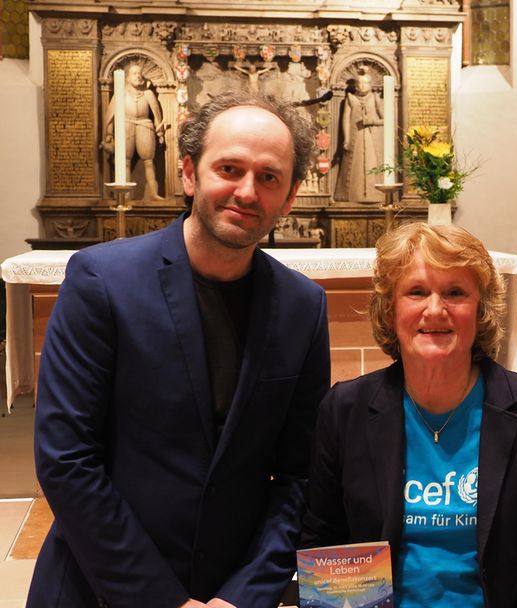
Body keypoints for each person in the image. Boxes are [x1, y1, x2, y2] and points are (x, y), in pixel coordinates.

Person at [28, 91, 330, 608]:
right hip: (102, 587)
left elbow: (300, 475)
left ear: (292, 194)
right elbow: (67, 460)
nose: (247, 191)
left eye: (269, 177)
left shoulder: (303, 306)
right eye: (229, 168)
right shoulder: (103, 281)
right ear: (189, 174)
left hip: (231, 594)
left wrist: (245, 594)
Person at [301, 222, 517, 607]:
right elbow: (323, 540)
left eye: (455, 293)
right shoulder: (344, 410)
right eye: (416, 292)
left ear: (480, 308)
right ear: (390, 308)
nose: (435, 309)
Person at [104, 61, 166, 200]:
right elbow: (111, 115)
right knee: (124, 160)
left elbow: (157, 114)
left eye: (140, 73)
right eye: (134, 74)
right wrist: (108, 133)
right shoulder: (121, 93)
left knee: (149, 160)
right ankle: (124, 195)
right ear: (128, 77)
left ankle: (153, 193)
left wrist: (160, 132)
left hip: (144, 124)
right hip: (126, 124)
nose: (138, 76)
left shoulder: (148, 94)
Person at [336, 67, 384, 203]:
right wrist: (346, 138)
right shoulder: (350, 98)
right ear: (356, 85)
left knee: (371, 165)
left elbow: (386, 119)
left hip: (371, 139)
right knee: (355, 167)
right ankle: (353, 195)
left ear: (370, 84)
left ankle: (375, 195)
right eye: (360, 83)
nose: (362, 86)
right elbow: (345, 119)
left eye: (365, 83)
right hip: (354, 139)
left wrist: (372, 121)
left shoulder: (375, 98)